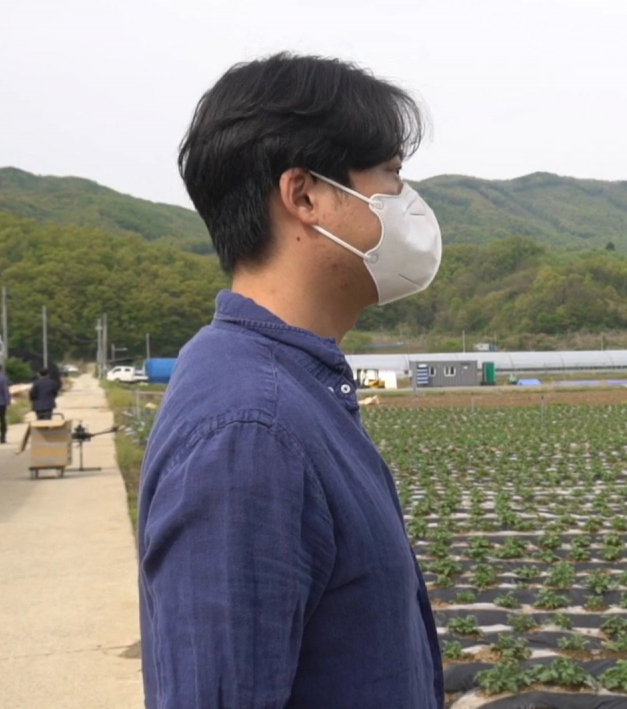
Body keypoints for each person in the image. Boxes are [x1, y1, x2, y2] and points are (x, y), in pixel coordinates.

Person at [137, 54, 444, 708]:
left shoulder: (291, 388)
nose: (407, 203)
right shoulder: (251, 430)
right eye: (390, 174)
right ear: (303, 195)